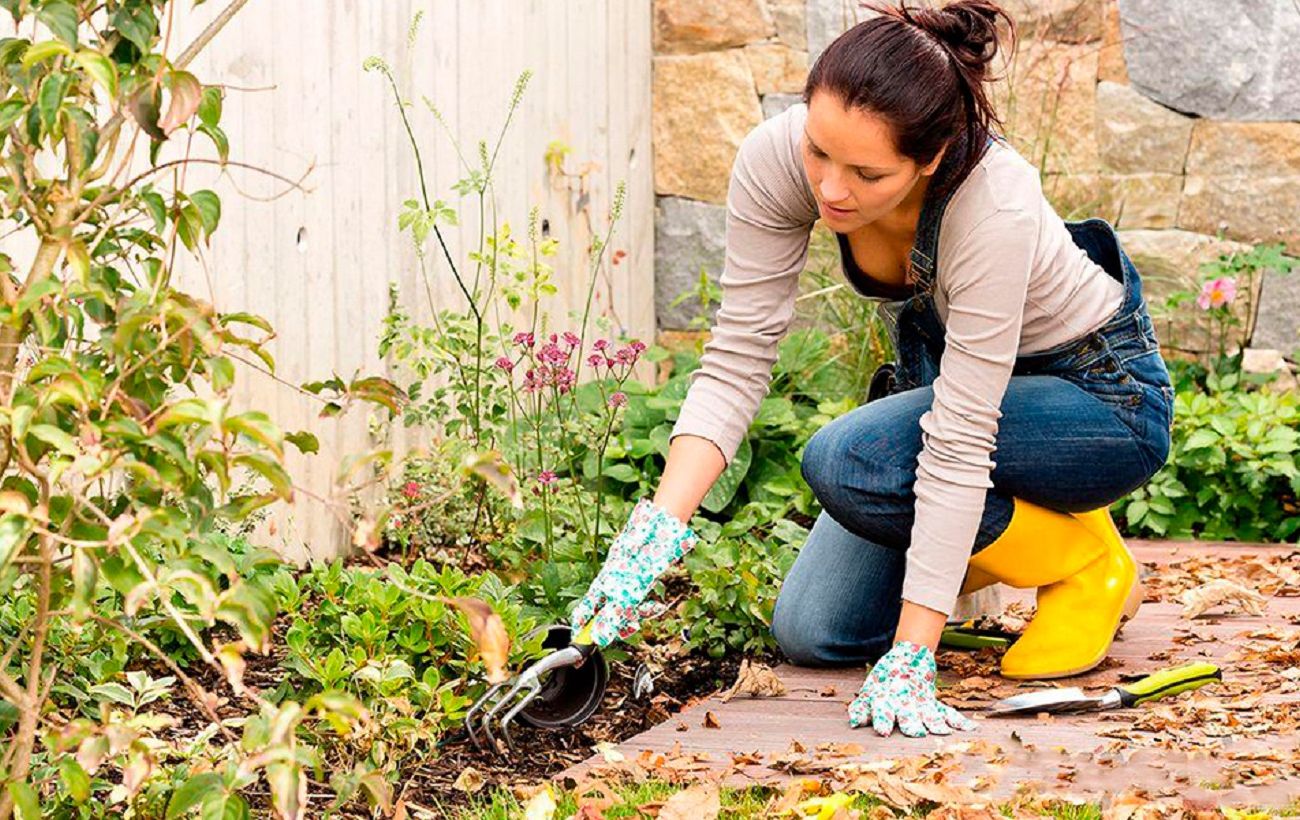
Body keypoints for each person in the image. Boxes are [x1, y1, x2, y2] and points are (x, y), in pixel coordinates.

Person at [570, 0, 1174, 739]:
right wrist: (652, 536)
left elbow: (957, 438)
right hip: (964, 398)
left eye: (866, 172)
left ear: (933, 155)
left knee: (852, 460)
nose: (830, 188)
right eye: (819, 150)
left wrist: (912, 657)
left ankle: (1083, 561)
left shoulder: (994, 202)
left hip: (1098, 402)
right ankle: (1031, 532)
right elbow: (736, 358)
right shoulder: (778, 159)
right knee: (815, 632)